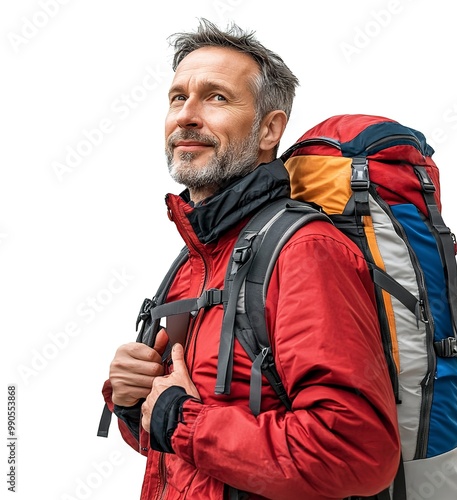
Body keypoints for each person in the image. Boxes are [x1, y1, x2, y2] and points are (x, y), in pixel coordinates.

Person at [102, 18, 400, 500]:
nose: (187, 115)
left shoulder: (305, 251)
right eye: (178, 97)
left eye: (216, 97)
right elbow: (176, 449)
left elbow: (355, 453)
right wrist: (136, 403)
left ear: (269, 129)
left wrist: (181, 419)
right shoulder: (196, 256)